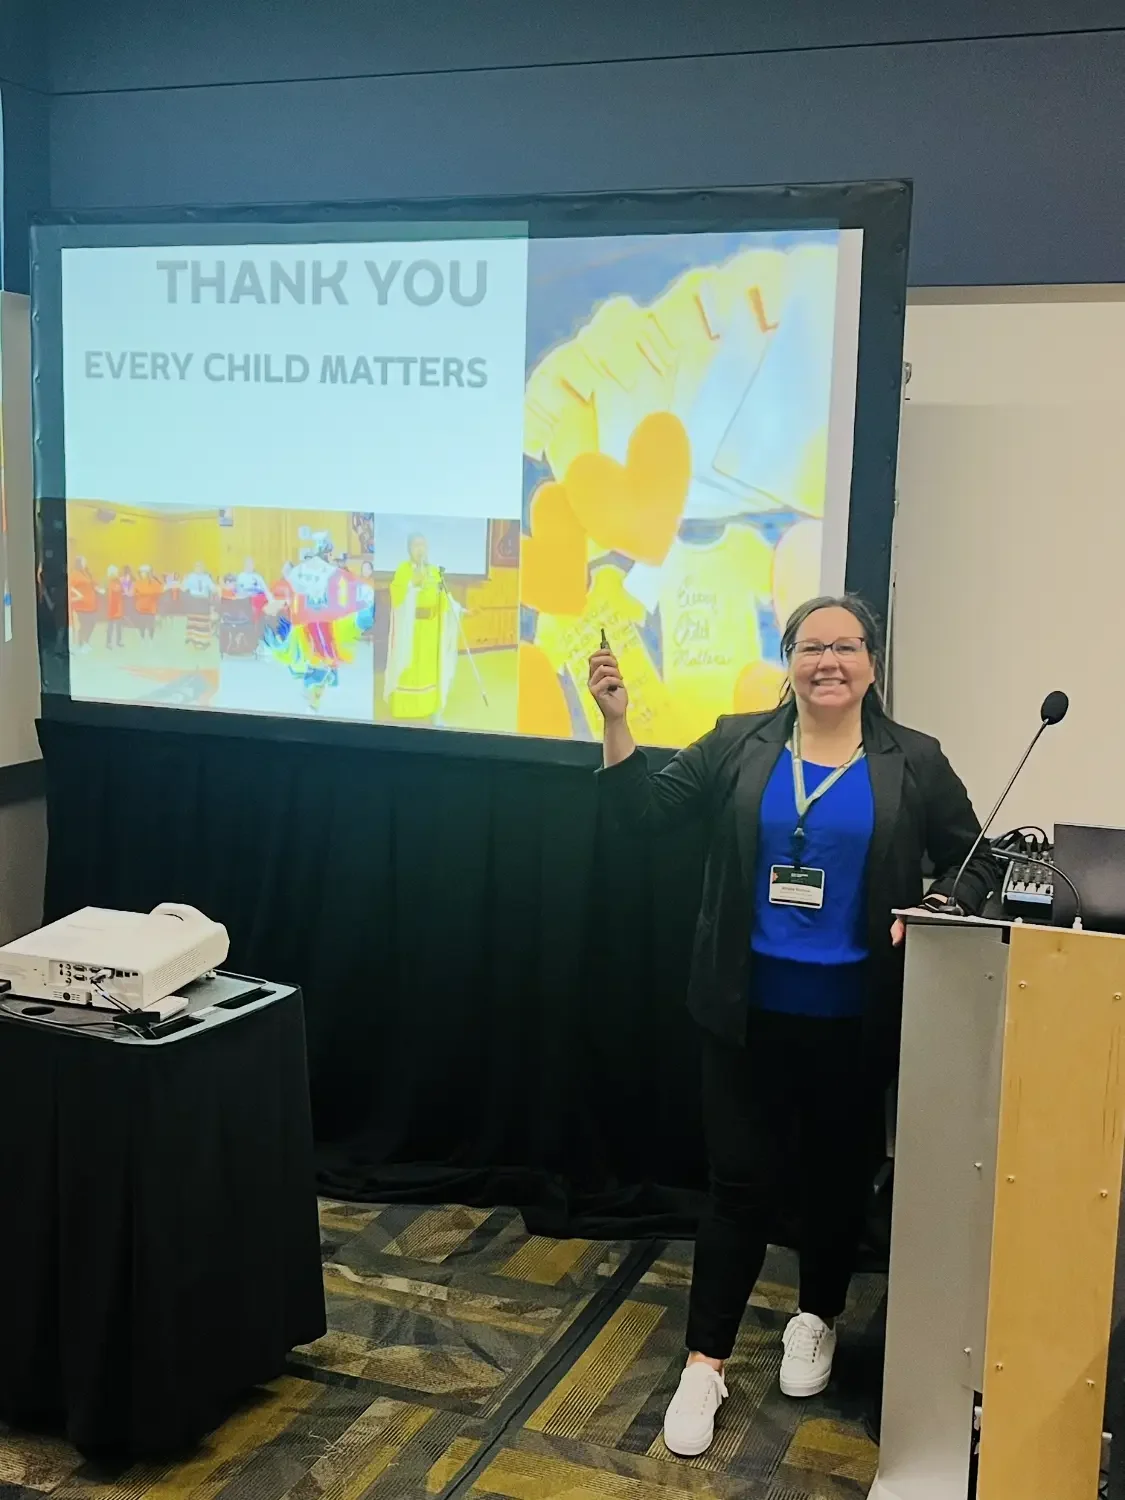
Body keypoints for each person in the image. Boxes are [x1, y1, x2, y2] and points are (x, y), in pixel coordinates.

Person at [587, 594, 998, 1459]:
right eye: (812, 647)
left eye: (846, 647)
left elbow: (976, 860)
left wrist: (940, 900)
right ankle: (706, 1362)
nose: (829, 663)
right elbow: (641, 817)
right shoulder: (740, 740)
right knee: (737, 1186)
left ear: (871, 664)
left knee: (835, 1181)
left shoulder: (911, 760)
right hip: (746, 1013)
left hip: (856, 1014)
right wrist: (615, 724)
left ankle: (814, 1316)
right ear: (789, 659)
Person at [385, 534, 459, 721]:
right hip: (411, 629)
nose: (420, 549)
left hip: (431, 630)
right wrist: (413, 584)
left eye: (423, 545)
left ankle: (433, 710)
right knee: (409, 666)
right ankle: (405, 710)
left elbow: (446, 598)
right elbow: (397, 595)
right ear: (409, 548)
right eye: (416, 545)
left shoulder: (435, 572)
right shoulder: (403, 570)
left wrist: (461, 610)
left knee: (430, 669)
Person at [182, 560, 216, 651]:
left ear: (203, 568)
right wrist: (184, 580)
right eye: (197, 566)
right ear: (194, 568)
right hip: (193, 601)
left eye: (200, 566)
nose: (199, 568)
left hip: (203, 602)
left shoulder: (206, 577)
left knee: (203, 623)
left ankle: (203, 641)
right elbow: (183, 588)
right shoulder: (190, 577)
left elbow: (213, 589)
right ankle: (192, 640)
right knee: (193, 622)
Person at [68, 556, 98, 651]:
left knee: (92, 623)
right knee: (84, 624)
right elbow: (70, 586)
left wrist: (97, 588)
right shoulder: (75, 574)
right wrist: (78, 594)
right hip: (81, 605)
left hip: (91, 604)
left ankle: (86, 641)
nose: (85, 563)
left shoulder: (86, 573)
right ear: (79, 563)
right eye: (84, 562)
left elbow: (92, 583)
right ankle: (81, 643)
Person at [133, 564, 163, 640]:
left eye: (144, 572)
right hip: (141, 607)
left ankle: (151, 638)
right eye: (141, 572)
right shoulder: (138, 583)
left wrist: (145, 594)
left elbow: (159, 592)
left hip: (151, 607)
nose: (142, 574)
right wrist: (148, 594)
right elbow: (135, 593)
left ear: (148, 573)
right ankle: (142, 637)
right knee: (142, 624)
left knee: (151, 625)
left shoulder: (154, 583)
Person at [101, 565, 125, 649]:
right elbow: (104, 592)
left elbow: (120, 590)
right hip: (110, 606)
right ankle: (109, 643)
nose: (117, 574)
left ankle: (119, 641)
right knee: (110, 626)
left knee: (119, 625)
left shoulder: (118, 581)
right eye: (115, 572)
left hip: (118, 606)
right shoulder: (106, 581)